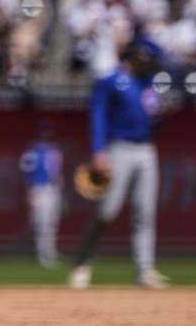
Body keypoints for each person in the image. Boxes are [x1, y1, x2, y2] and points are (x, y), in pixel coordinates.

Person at [68, 39, 169, 289]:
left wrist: (159, 114)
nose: (151, 65)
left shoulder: (149, 84)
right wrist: (99, 151)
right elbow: (98, 115)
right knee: (106, 211)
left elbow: (153, 119)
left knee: (144, 212)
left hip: (146, 149)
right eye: (148, 59)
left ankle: (144, 269)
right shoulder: (111, 80)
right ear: (136, 56)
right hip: (118, 148)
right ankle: (82, 260)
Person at [20, 121, 63, 268]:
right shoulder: (33, 150)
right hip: (39, 188)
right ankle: (43, 256)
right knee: (41, 224)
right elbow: (26, 170)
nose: (47, 136)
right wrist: (29, 189)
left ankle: (50, 253)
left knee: (51, 224)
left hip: (52, 189)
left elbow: (57, 173)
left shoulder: (54, 150)